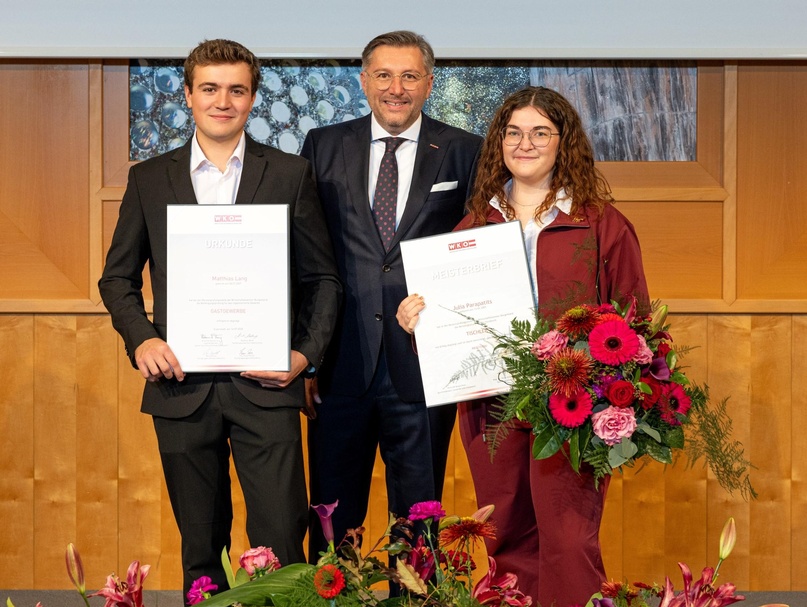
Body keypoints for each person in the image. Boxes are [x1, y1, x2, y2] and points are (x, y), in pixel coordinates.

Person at [98, 39, 342, 595]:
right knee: (201, 548)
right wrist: (143, 340)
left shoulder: (289, 174)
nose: (222, 101)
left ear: (253, 98)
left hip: (268, 386)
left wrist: (304, 356)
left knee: (283, 541)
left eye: (236, 89)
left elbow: (323, 279)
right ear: (188, 95)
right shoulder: (149, 178)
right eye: (209, 88)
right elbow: (116, 279)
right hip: (180, 386)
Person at [396, 86, 650, 606]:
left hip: (573, 406)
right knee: (506, 536)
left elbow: (635, 323)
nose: (524, 143)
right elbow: (449, 327)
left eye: (539, 133)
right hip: (492, 404)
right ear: (499, 143)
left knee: (569, 539)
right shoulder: (474, 225)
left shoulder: (601, 224)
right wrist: (416, 321)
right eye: (513, 132)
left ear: (563, 142)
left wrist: (614, 395)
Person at [300, 30, 482, 557]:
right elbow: (304, 254)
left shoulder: (465, 150)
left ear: (429, 83)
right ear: (363, 81)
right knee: (333, 521)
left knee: (418, 522)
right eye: (383, 75)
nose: (395, 88)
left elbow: (477, 249)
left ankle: (415, 595)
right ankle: (333, 595)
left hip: (424, 364)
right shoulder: (323, 144)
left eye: (409, 76)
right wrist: (305, 355)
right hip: (340, 365)